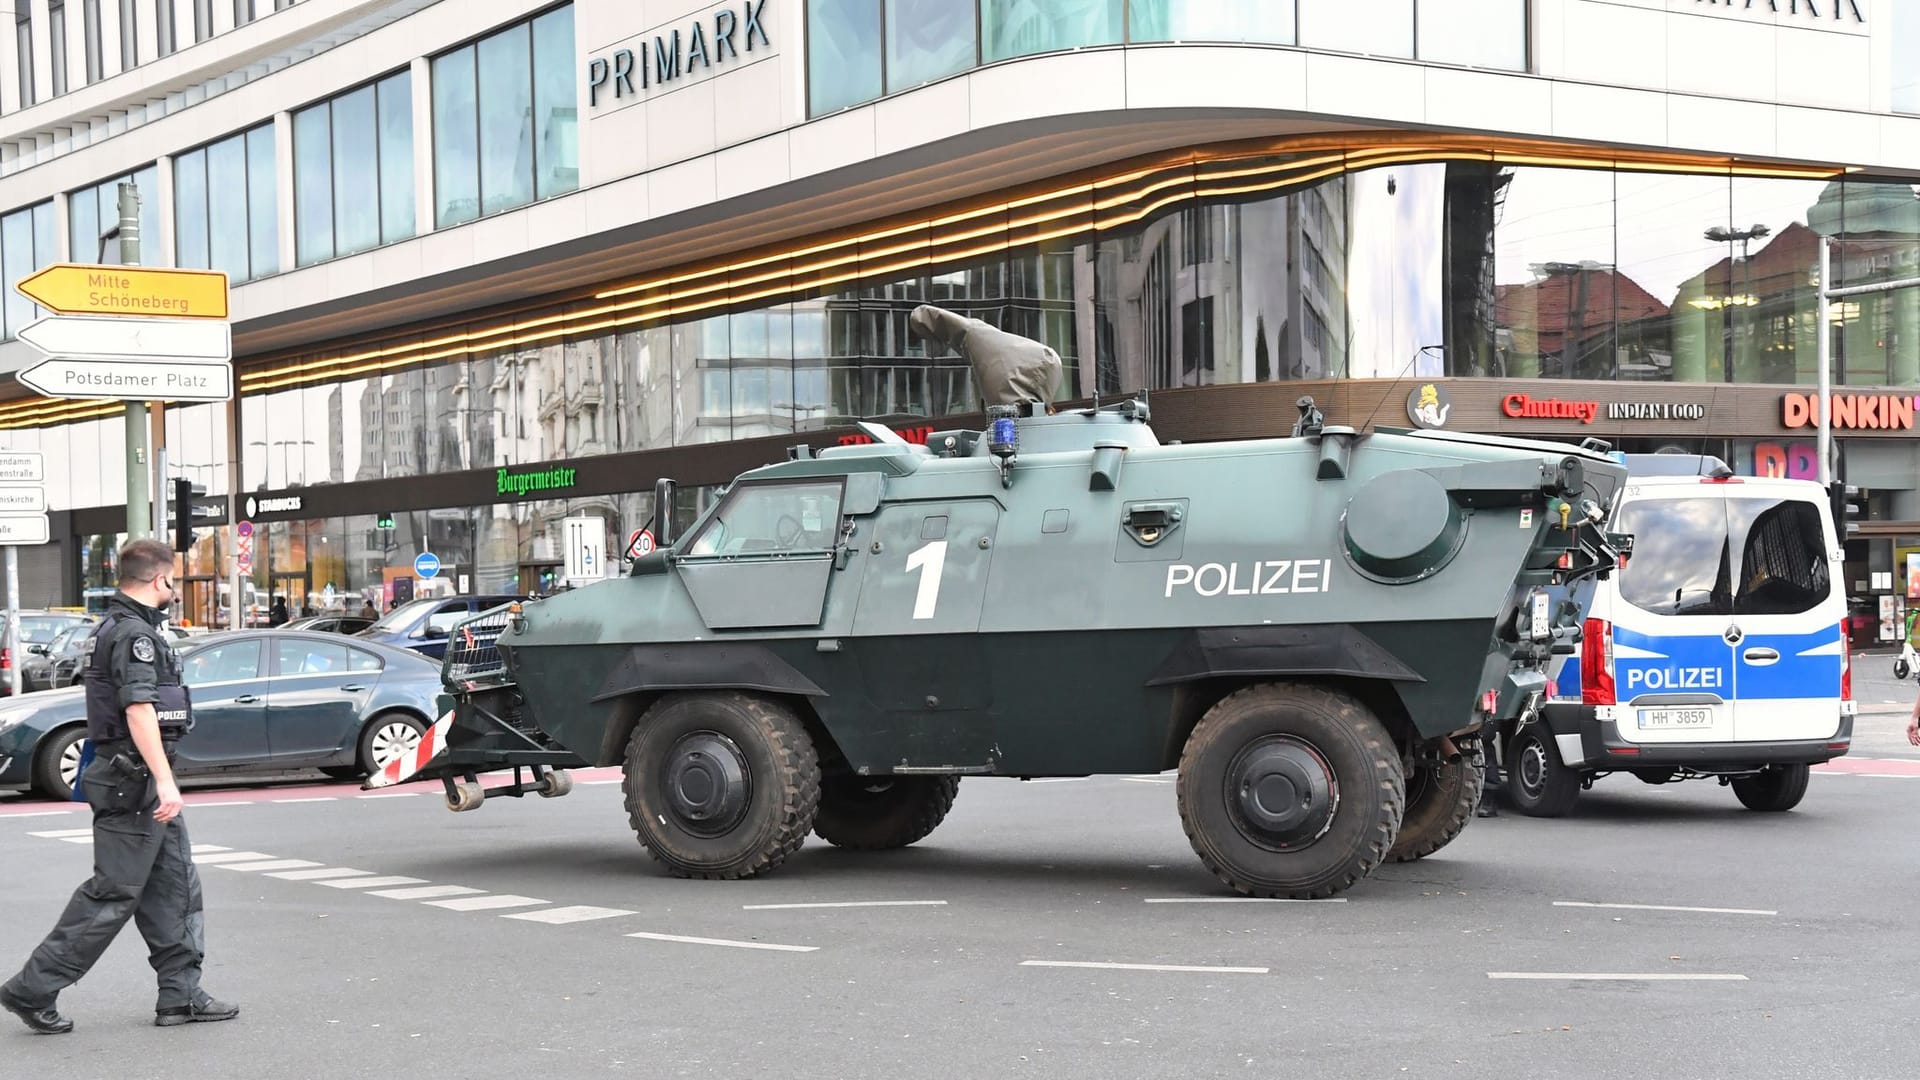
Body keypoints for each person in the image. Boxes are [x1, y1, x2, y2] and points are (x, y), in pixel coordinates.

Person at [0, 539, 239, 1035]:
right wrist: (166, 781)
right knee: (112, 894)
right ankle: (33, 987)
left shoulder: (117, 626)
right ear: (160, 581)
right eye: (174, 580)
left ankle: (181, 995)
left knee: (175, 888)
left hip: (135, 782)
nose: (175, 588)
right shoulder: (133, 634)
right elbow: (137, 709)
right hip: (135, 782)